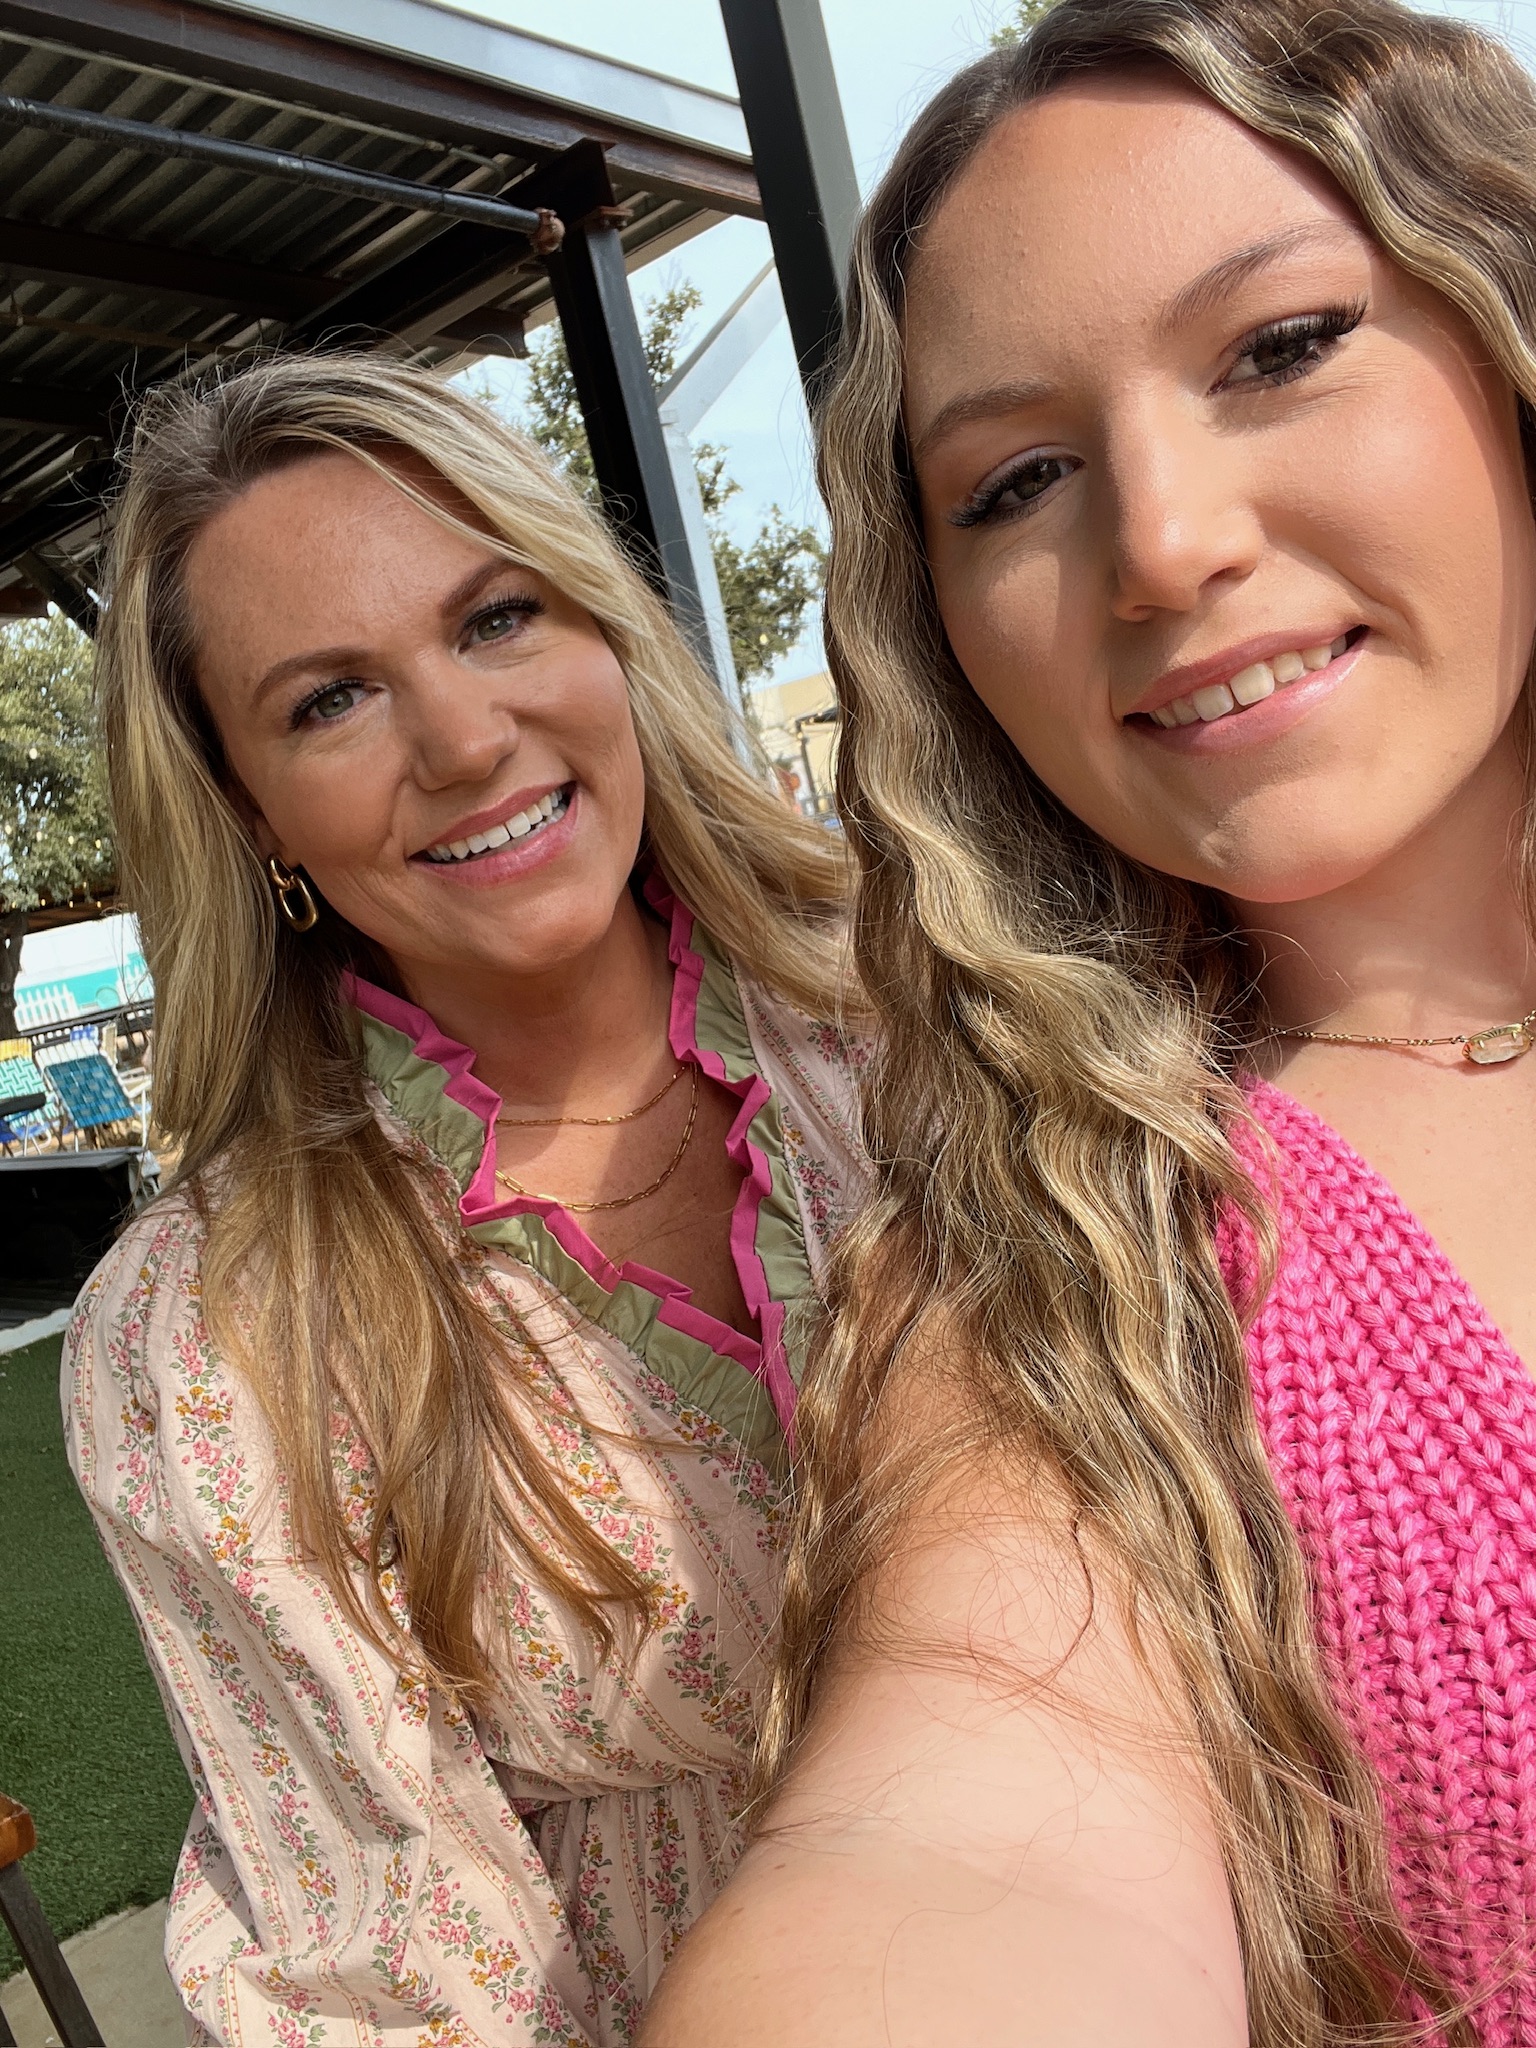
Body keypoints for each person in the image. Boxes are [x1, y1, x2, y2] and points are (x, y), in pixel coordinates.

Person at [639, 2, 1536, 2044]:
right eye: (1020, 475)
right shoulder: (1067, 1268)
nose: (1163, 542)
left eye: (1282, 347)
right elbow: (968, 1836)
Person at [64, 354, 866, 2044]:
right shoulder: (215, 1327)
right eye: (328, 701)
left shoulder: (932, 1015)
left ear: (603, 629)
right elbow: (388, 1978)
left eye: (498, 617)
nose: (464, 737)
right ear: (247, 809)